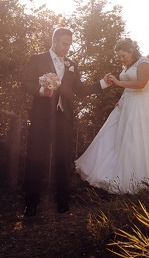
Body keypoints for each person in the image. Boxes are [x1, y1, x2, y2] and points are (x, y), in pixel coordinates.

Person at [75, 38, 149, 194]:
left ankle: (140, 181)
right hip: (126, 105)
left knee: (136, 139)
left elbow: (140, 84)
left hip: (140, 107)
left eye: (123, 55)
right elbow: (128, 89)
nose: (122, 59)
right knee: (118, 139)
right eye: (120, 57)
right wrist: (121, 100)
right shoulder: (129, 65)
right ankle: (113, 175)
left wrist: (117, 81)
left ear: (131, 50)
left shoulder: (144, 63)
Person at [21, 27, 110, 215]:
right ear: (54, 41)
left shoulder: (72, 65)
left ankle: (62, 202)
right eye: (64, 44)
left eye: (69, 45)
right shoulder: (37, 59)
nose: (67, 48)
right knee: (37, 159)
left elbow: (81, 90)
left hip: (64, 118)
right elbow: (25, 83)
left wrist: (103, 83)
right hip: (42, 118)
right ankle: (31, 204)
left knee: (63, 160)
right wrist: (40, 91)